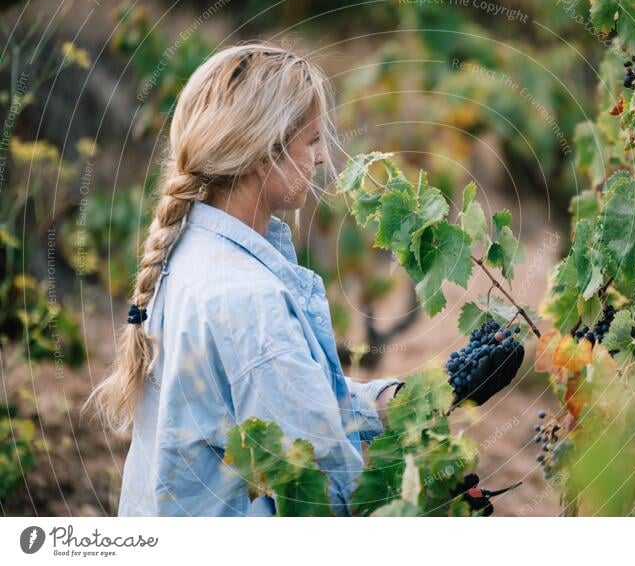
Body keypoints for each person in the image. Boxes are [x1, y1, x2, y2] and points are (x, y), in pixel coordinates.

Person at [82, 41, 404, 517]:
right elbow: (325, 497)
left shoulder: (187, 248)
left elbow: (281, 402)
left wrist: (396, 403)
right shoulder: (250, 301)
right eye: (312, 141)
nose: (320, 159)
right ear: (265, 153)